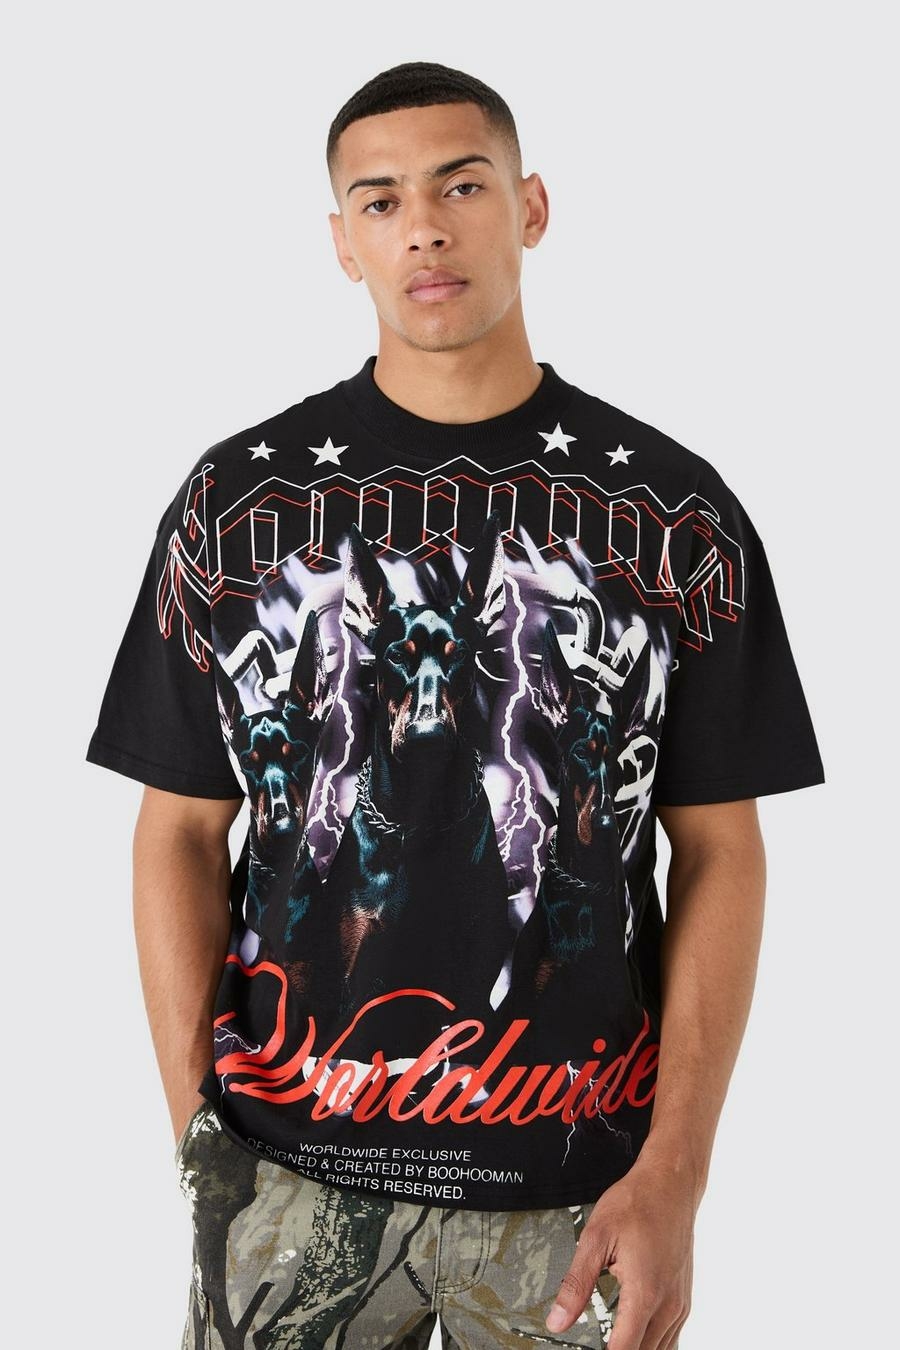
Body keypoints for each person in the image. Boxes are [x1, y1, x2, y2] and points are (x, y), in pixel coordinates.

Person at [85, 60, 825, 1350]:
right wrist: (200, 1136)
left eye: (462, 185)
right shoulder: (238, 504)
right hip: (289, 1170)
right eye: (381, 201)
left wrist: (677, 1173)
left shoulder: (669, 513)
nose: (423, 227)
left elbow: (721, 850)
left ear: (531, 208)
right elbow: (177, 828)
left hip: (579, 1179)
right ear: (343, 243)